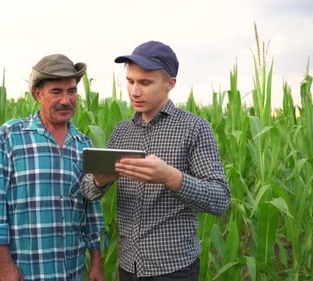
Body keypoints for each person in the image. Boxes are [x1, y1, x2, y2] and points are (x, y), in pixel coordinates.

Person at [80, 41, 230, 280]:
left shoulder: (193, 128)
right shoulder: (121, 132)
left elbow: (220, 199)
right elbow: (88, 192)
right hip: (128, 265)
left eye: (145, 83)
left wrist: (171, 177)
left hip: (174, 269)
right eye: (130, 81)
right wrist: (100, 179)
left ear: (170, 84)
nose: (134, 92)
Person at [0, 54, 104, 281]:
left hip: (72, 271)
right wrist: (5, 267)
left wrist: (96, 263)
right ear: (38, 94)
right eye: (56, 91)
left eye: (72, 91)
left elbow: (91, 210)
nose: (66, 100)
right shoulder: (10, 136)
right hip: (27, 271)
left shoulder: (83, 144)